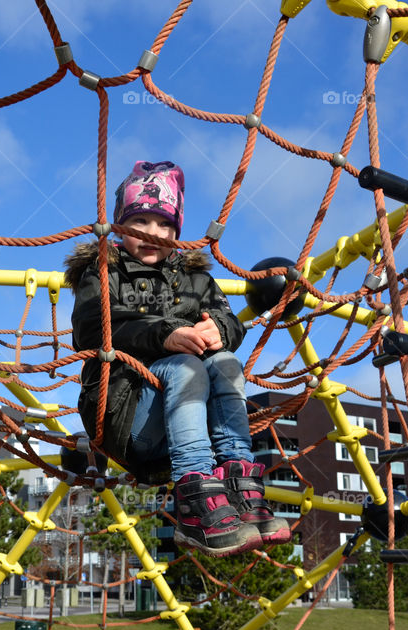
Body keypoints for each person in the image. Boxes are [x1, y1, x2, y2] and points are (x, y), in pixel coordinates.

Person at [65, 160, 292, 556]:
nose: (154, 233)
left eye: (165, 224)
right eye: (141, 221)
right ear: (120, 225)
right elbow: (91, 328)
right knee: (185, 366)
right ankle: (193, 496)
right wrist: (164, 335)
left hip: (183, 422)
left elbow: (229, 321)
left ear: (178, 230)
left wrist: (219, 330)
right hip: (124, 417)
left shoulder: (196, 278)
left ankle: (239, 482)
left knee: (226, 363)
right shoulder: (104, 271)